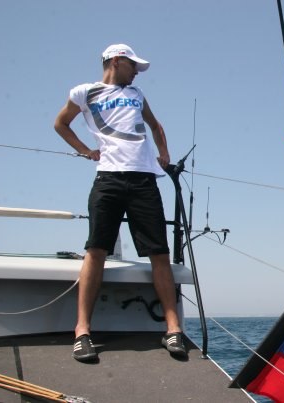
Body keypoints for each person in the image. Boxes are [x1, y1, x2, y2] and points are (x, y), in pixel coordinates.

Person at [54, 44, 186, 362]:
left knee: (159, 252)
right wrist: (86, 150)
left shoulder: (137, 94)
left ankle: (173, 329)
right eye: (132, 66)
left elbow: (156, 125)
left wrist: (164, 153)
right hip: (108, 180)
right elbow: (60, 124)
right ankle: (82, 331)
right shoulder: (85, 92)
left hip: (144, 182)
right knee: (96, 250)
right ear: (116, 61)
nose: (136, 72)